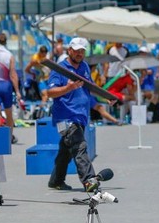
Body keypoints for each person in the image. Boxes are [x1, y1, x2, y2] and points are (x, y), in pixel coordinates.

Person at [46, 37, 111, 192]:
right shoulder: (60, 69)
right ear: (70, 50)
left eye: (82, 51)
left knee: (66, 151)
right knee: (79, 146)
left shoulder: (84, 67)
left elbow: (88, 88)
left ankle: (56, 180)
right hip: (66, 117)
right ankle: (89, 181)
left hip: (80, 116)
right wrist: (68, 88)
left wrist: (105, 97)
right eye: (76, 51)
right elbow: (50, 92)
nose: (79, 54)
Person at [0, 33, 23, 144]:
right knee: (9, 113)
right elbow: (13, 74)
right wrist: (17, 91)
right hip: (6, 85)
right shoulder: (9, 55)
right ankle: (8, 138)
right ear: (5, 42)